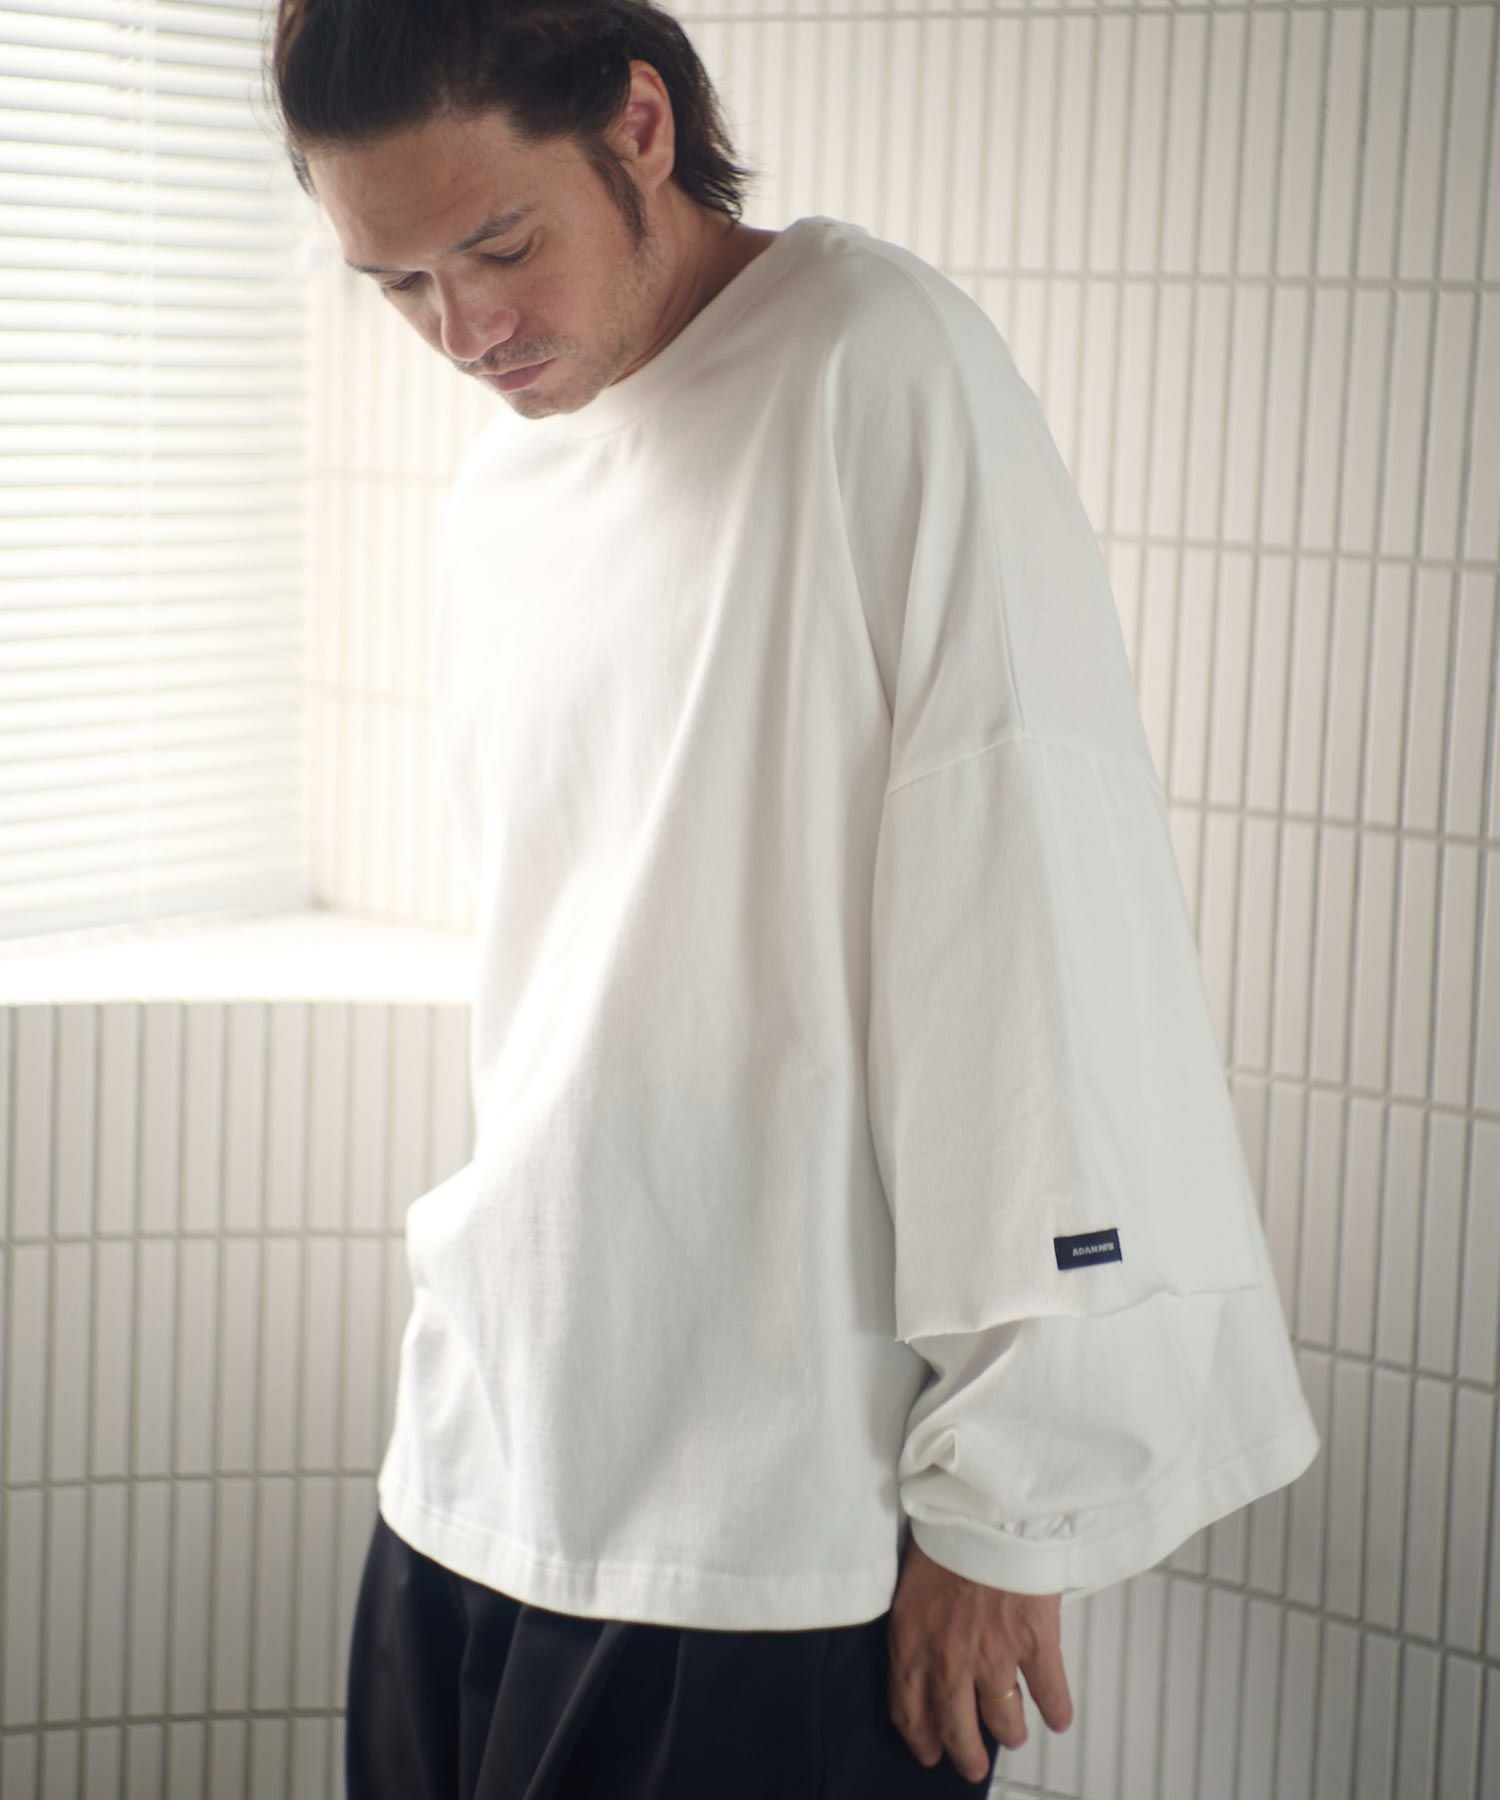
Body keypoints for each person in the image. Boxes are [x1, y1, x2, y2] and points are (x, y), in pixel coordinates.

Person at [269, 2, 1322, 1794]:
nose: (468, 331)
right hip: (479, 1465)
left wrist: (1011, 1502)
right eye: (402, 285)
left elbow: (1035, 909)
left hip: (770, 1534)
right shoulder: (509, 471)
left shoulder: (871, 366)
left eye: (501, 245)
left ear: (642, 125)